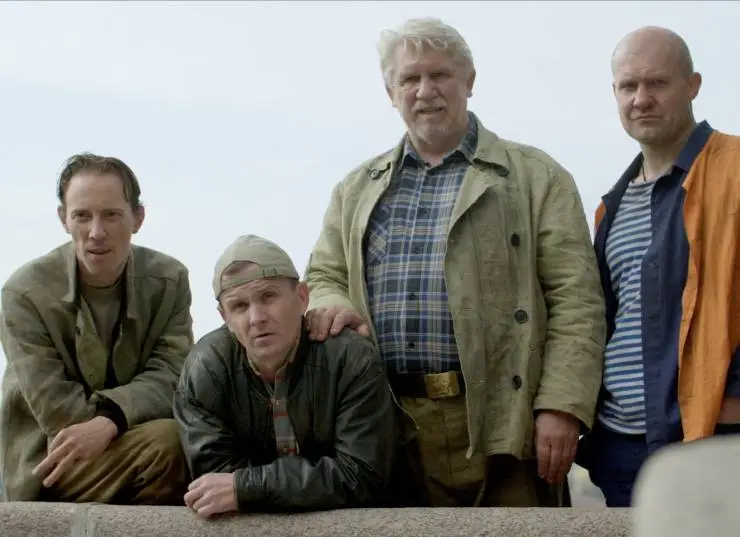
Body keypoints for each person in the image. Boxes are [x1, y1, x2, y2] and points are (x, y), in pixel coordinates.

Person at [302, 17, 606, 508]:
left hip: (506, 419)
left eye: (440, 74)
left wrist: (561, 405)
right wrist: (333, 301)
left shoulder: (537, 178)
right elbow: (323, 274)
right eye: (410, 78)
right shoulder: (355, 190)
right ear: (390, 92)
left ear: (470, 80)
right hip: (389, 421)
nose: (425, 90)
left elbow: (576, 300)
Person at [577, 26, 740, 507]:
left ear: (693, 85)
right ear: (615, 92)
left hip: (713, 436)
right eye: (629, 86)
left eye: (657, 83)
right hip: (623, 446)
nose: (641, 99)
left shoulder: (734, 168)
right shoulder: (610, 207)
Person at [0, 153, 194, 503]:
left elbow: (174, 374)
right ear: (63, 219)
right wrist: (118, 419)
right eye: (82, 216)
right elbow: (57, 409)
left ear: (138, 218)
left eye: (112, 215)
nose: (96, 232)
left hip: (129, 438)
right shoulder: (24, 292)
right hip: (54, 459)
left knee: (191, 439)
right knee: (169, 443)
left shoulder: (169, 280)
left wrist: (111, 419)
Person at [172, 234, 397, 519]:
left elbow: (362, 474)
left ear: (302, 298)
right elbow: (215, 480)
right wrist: (253, 489)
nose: (256, 318)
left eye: (269, 297)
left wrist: (249, 487)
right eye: (239, 306)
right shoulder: (205, 368)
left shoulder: (351, 358)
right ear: (224, 317)